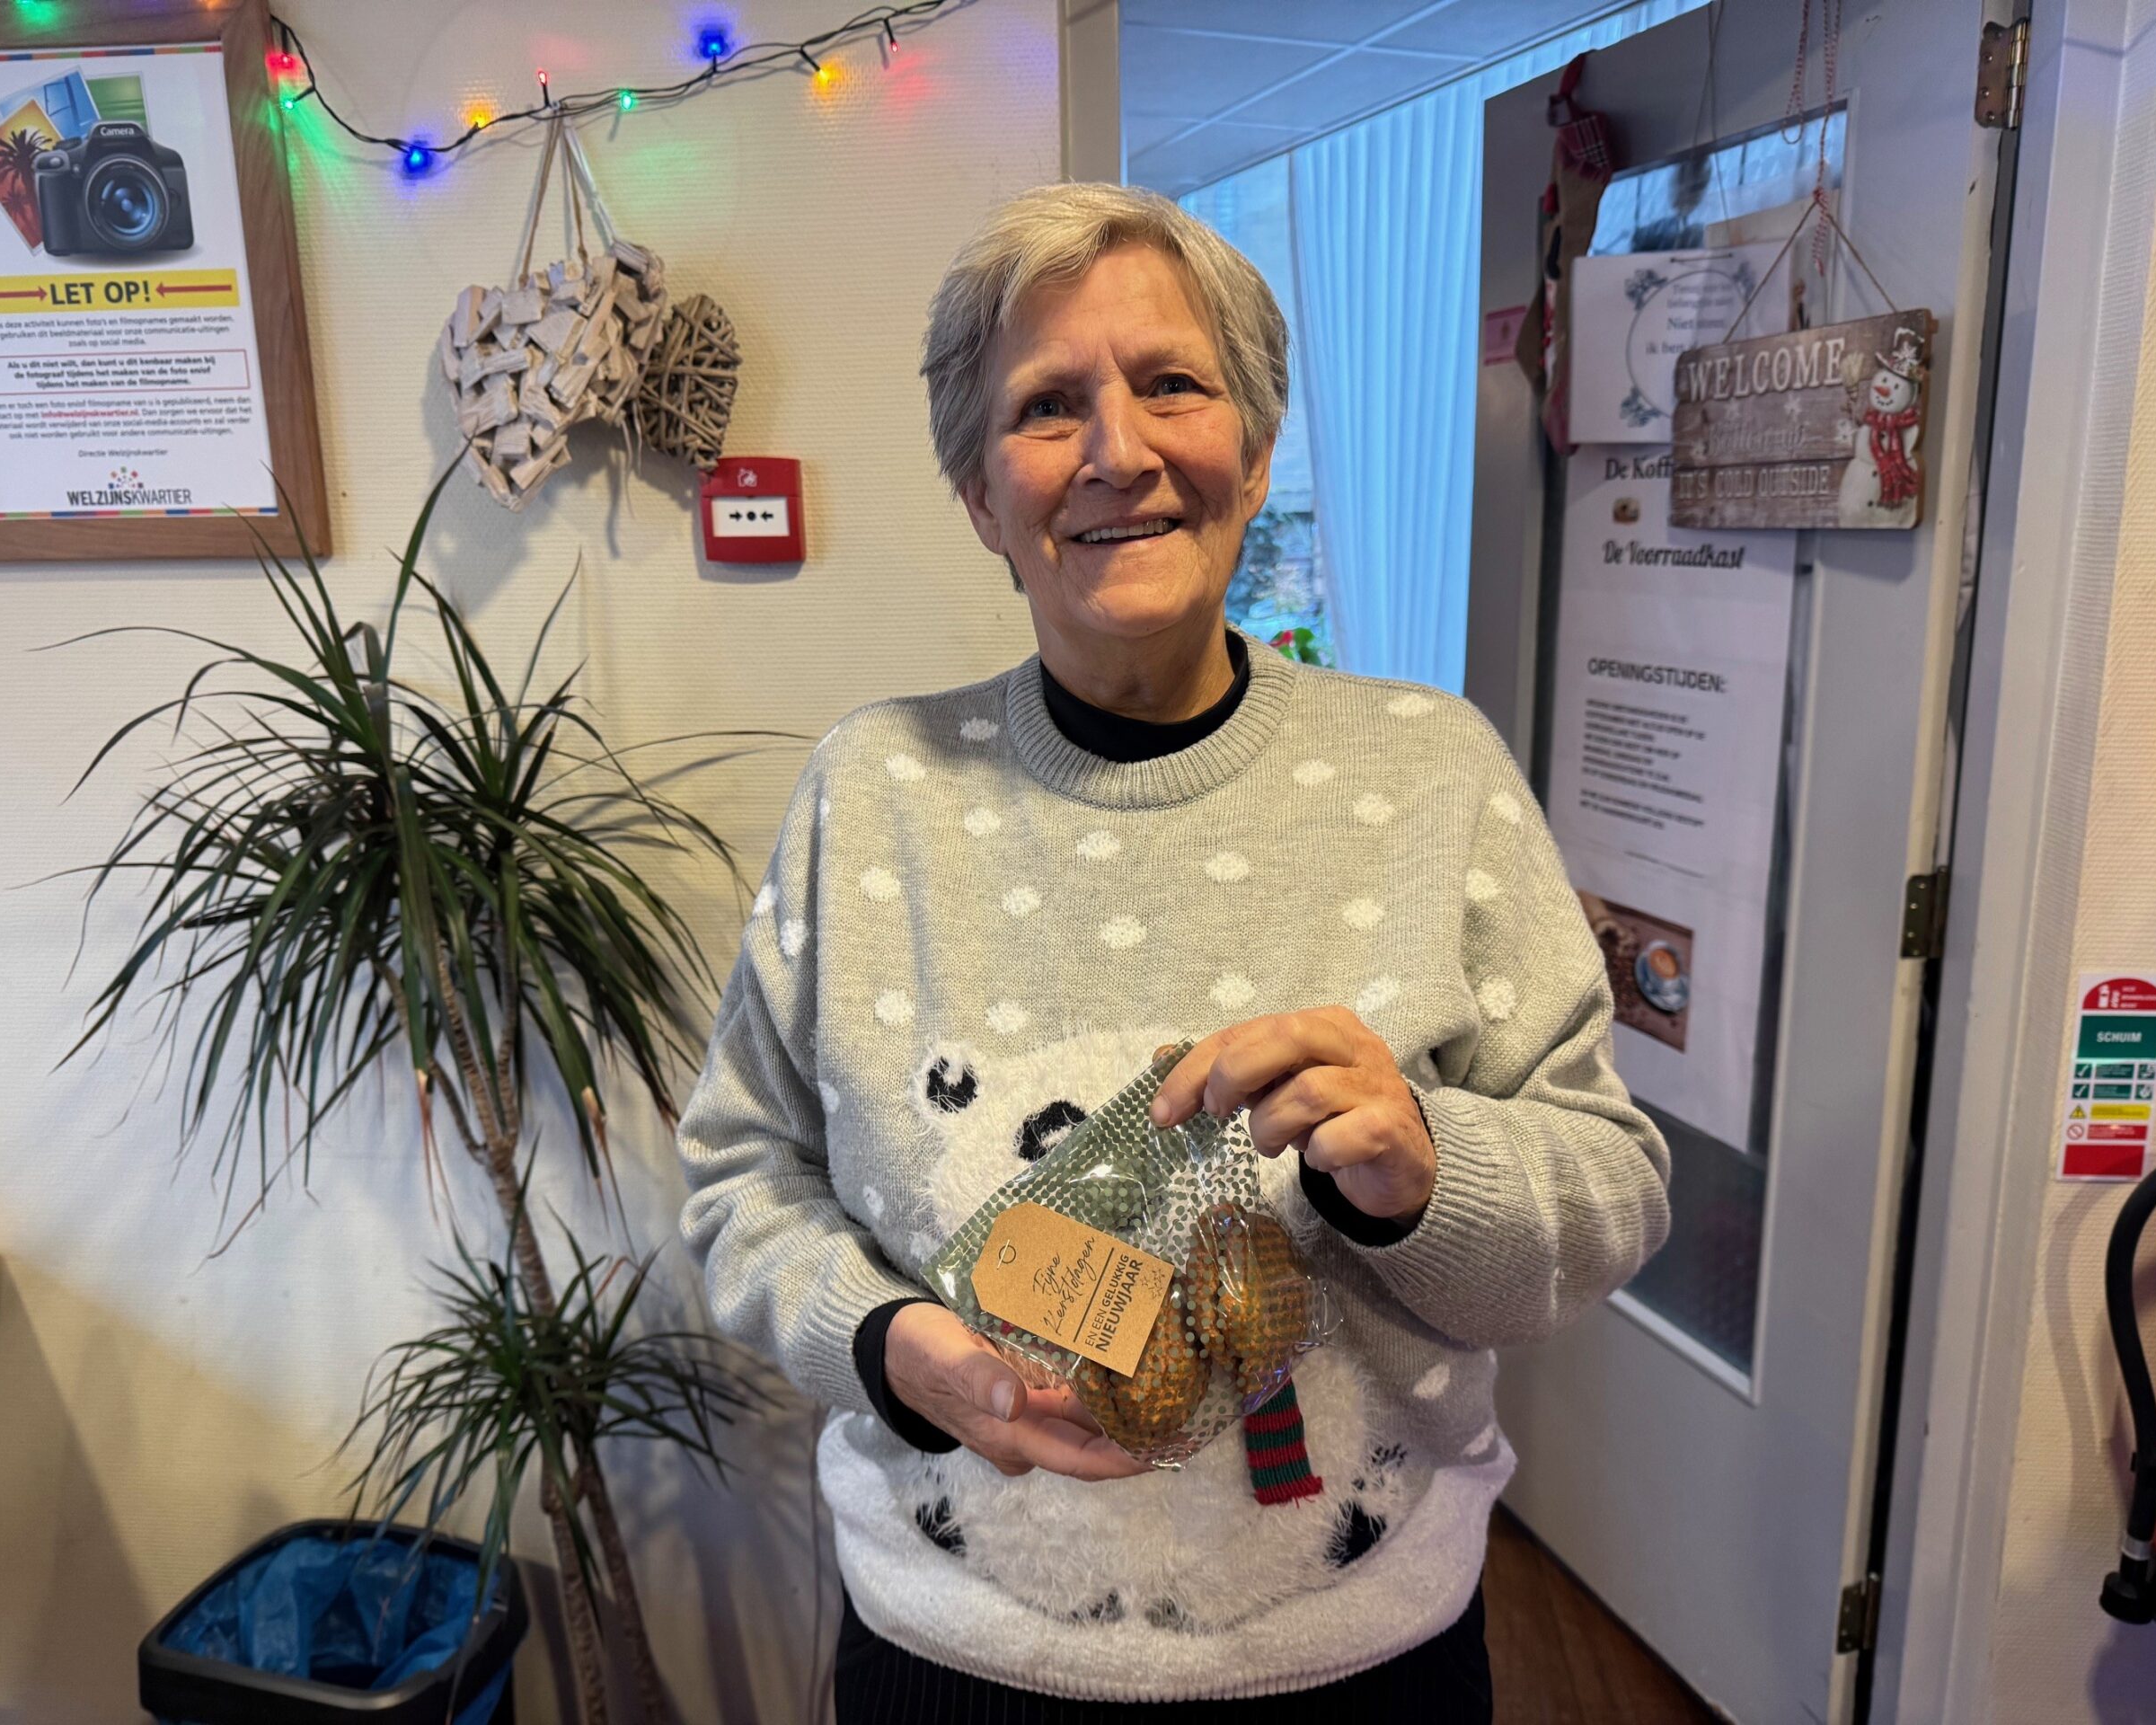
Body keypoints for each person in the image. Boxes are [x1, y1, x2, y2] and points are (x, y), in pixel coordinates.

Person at [674, 182, 1670, 1721]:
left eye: (1172, 386)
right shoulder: (873, 795)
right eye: (1046, 405)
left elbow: (1610, 1190)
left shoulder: (1431, 776)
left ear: (1258, 450)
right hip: (952, 1659)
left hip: (1358, 1663)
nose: (1118, 453)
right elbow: (741, 1177)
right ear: (978, 493)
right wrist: (889, 1349)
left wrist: (1426, 1170)